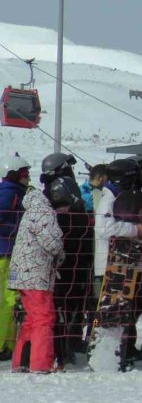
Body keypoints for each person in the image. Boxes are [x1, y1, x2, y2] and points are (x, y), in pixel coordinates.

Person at [94, 158, 142, 362]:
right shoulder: (109, 197)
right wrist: (136, 230)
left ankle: (128, 345)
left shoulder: (125, 196)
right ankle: (111, 349)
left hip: (129, 261)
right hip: (112, 264)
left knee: (134, 304)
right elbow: (103, 228)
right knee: (116, 309)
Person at [41, 152, 93, 368]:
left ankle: (71, 340)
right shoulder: (57, 192)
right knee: (64, 302)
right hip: (68, 256)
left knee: (73, 300)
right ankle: (64, 346)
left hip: (76, 254)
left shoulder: (62, 190)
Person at [8, 187, 64, 373]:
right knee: (44, 318)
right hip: (36, 273)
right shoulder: (44, 211)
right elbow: (52, 243)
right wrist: (61, 251)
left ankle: (21, 361)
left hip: (23, 273)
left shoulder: (32, 208)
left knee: (31, 318)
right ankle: (41, 363)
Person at [0, 152, 31, 361]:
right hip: (6, 254)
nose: (27, 178)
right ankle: (4, 344)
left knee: (9, 299)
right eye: (24, 174)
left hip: (8, 252)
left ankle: (8, 342)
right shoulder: (10, 193)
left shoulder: (14, 192)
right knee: (7, 299)